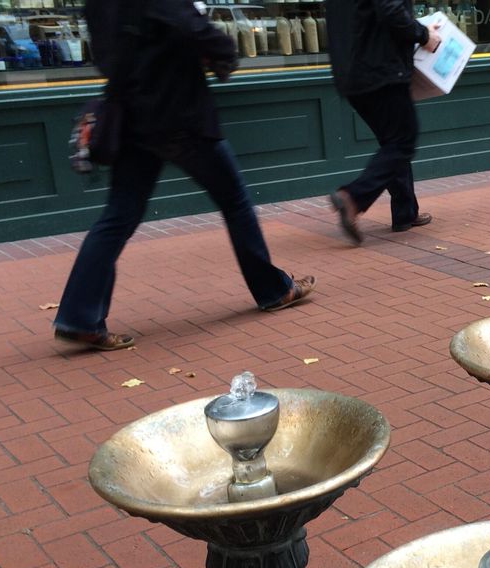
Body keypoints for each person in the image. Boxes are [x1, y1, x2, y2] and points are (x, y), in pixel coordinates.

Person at [53, 0, 314, 352]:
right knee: (234, 200)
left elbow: (107, 52)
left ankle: (79, 317)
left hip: (131, 116)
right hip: (179, 113)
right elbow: (190, 24)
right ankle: (274, 289)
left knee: (118, 216)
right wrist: (223, 52)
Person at [325, 0, 442, 244]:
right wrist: (423, 35)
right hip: (380, 70)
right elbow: (390, 9)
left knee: (392, 143)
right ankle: (352, 197)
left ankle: (405, 212)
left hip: (352, 72)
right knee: (402, 141)